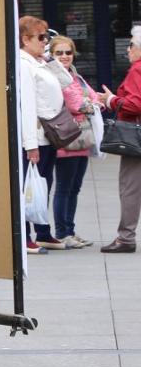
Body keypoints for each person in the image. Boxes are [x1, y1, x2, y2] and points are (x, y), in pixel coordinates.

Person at [18, 16, 66, 253]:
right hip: (35, 136)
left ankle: (43, 231)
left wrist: (50, 60)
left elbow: (66, 82)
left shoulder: (39, 62)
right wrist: (30, 145)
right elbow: (26, 106)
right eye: (40, 37)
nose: (45, 41)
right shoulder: (24, 64)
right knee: (30, 187)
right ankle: (26, 236)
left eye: (46, 36)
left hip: (49, 135)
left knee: (44, 184)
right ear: (25, 39)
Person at [49, 35, 102, 249]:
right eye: (59, 52)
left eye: (68, 52)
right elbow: (75, 103)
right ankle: (62, 233)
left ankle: (70, 229)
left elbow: (93, 98)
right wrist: (88, 104)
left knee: (74, 188)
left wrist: (89, 103)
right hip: (66, 139)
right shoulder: (54, 75)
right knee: (64, 187)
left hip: (82, 140)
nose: (64, 56)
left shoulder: (75, 75)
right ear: (52, 55)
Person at [98, 35, 141, 253]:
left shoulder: (137, 69)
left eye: (131, 44)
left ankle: (126, 238)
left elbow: (134, 104)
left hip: (136, 140)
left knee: (130, 188)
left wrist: (110, 100)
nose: (128, 49)